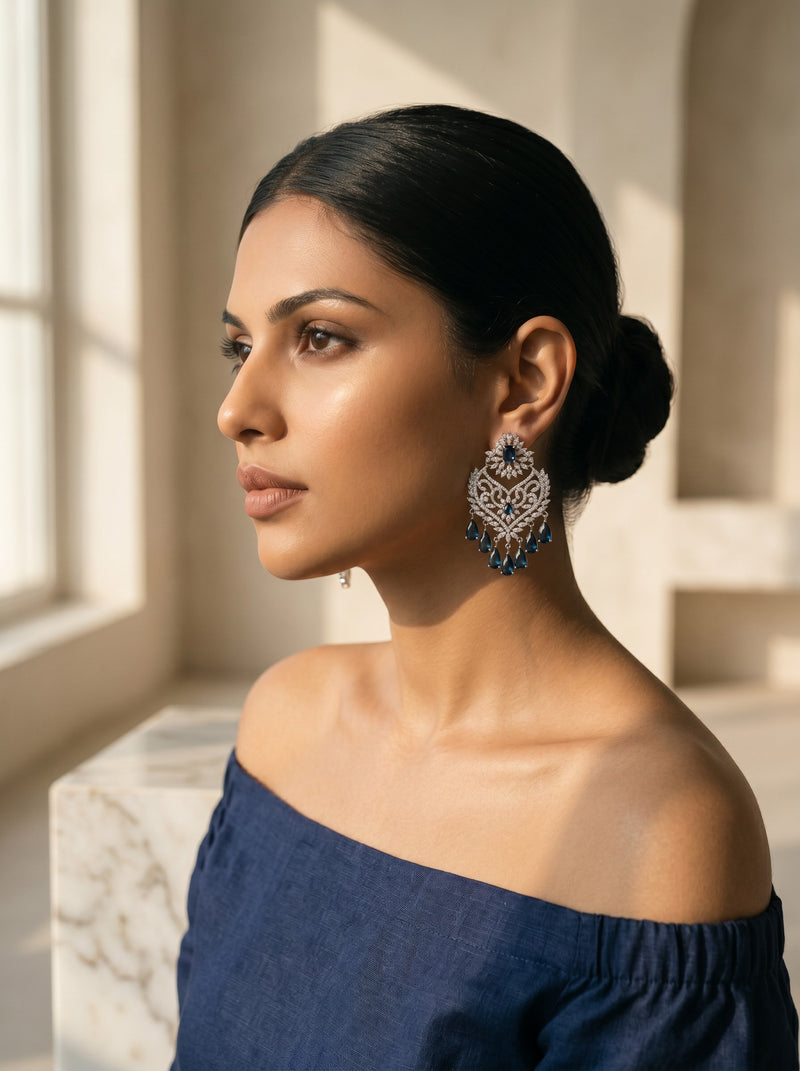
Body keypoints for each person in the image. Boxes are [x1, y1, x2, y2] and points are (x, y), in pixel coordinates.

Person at [171, 104, 798, 1069]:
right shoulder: (284, 721)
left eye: (322, 337)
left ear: (523, 382)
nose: (237, 408)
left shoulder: (661, 829)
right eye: (238, 345)